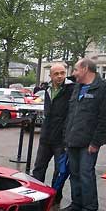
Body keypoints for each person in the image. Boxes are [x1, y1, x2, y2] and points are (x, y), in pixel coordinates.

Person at [57, 58, 106, 211]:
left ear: (85, 69)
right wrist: (66, 137)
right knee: (74, 174)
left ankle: (90, 208)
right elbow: (71, 115)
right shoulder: (78, 88)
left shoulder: (105, 88)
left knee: (86, 174)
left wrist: (96, 142)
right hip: (73, 139)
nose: (73, 73)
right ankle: (77, 204)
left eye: (76, 69)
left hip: (89, 142)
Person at [31, 63, 75, 202]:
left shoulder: (71, 89)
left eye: (62, 73)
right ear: (50, 76)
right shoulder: (47, 89)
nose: (60, 76)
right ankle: (37, 194)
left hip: (61, 138)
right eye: (56, 74)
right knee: (39, 167)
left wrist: (67, 134)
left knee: (59, 169)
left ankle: (55, 196)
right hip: (46, 135)